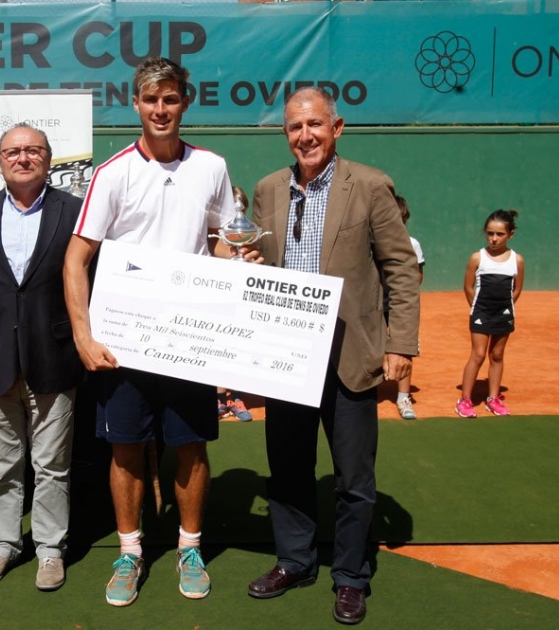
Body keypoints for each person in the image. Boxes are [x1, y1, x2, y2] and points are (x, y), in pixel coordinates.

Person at [63, 57, 239, 607]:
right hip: (125, 342)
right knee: (126, 449)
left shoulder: (212, 167)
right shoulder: (112, 172)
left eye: (170, 99)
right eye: (150, 100)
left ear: (184, 103)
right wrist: (83, 336)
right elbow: (76, 259)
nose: (160, 109)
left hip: (187, 340)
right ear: (135, 105)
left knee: (189, 446)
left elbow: (223, 240)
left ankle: (189, 547)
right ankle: (131, 550)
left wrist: (233, 257)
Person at [246, 87, 420, 625]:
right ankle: (296, 560)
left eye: (315, 125)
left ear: (337, 127)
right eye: (296, 127)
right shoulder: (268, 189)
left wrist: (399, 344)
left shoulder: (369, 185)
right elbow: (259, 266)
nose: (306, 136)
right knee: (290, 469)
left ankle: (349, 576)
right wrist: (248, 259)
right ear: (286, 134)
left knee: (353, 478)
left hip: (351, 355)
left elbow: (401, 269)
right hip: (287, 357)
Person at [0, 123, 84, 592]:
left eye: (33, 150)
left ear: (48, 159)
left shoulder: (74, 211)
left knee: (52, 465)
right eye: (13, 151)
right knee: (1, 465)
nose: (23, 157)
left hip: (54, 356)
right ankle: (3, 545)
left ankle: (50, 549)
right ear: (0, 160)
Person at [455, 209, 524, 418]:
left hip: (503, 312)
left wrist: (506, 307)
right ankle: (465, 399)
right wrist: (476, 308)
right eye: (490, 233)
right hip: (480, 311)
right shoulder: (478, 257)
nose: (494, 239)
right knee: (478, 354)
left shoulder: (517, 260)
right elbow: (468, 287)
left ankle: (493, 399)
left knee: (497, 355)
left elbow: (517, 288)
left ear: (511, 234)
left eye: (500, 234)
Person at [217, 185, 256, 423]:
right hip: (217, 298)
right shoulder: (214, 236)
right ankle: (218, 399)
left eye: (239, 207)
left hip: (242, 302)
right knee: (218, 346)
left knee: (240, 347)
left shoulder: (248, 234)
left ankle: (236, 397)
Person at [386, 194, 425, 420]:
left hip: (400, 306)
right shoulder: (370, 243)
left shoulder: (413, 245)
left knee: (404, 348)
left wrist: (401, 291)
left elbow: (417, 276)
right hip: (374, 303)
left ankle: (403, 396)